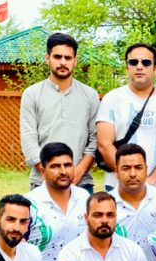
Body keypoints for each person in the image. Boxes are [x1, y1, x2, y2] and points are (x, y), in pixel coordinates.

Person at [20, 32, 99, 194]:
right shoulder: (32, 94)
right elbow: (29, 138)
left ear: (75, 61)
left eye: (68, 58)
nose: (63, 62)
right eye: (57, 57)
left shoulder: (90, 95)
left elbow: (95, 139)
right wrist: (49, 171)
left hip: (81, 182)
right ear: (47, 58)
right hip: (41, 182)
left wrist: (77, 171)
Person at [97, 43, 156, 190]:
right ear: (127, 67)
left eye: (146, 62)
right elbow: (104, 144)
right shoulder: (112, 99)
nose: (139, 66)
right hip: (118, 186)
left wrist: (151, 180)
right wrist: (127, 175)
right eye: (133, 62)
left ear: (155, 68)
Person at [23, 142, 89, 261]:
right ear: (42, 171)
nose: (63, 171)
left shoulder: (84, 197)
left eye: (67, 165)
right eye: (55, 166)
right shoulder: (30, 203)